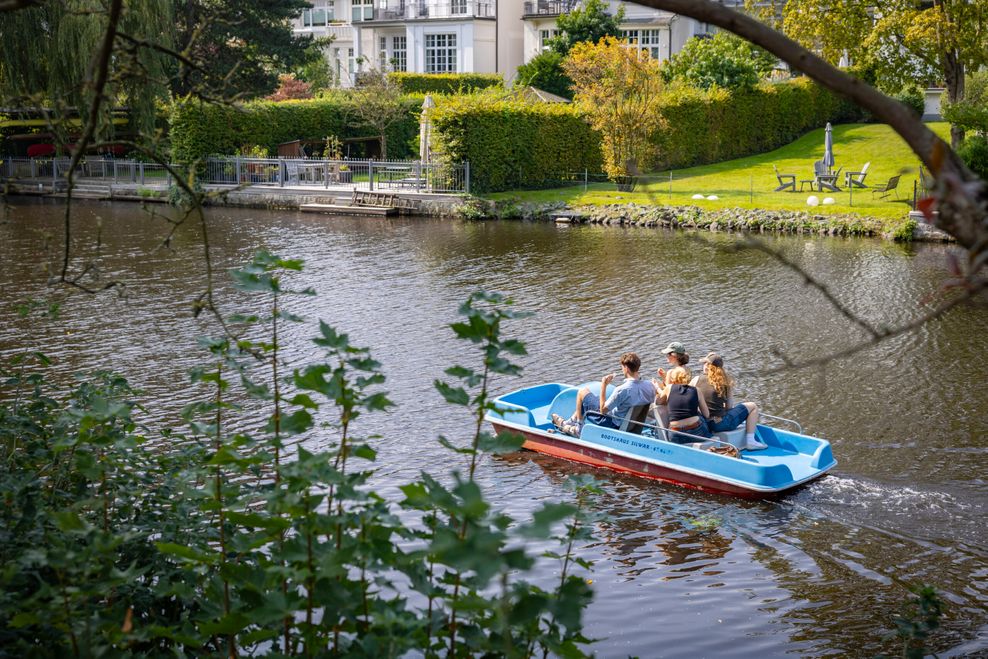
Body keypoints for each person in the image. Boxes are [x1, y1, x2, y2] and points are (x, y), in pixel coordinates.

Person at [552, 352, 656, 436]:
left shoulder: (622, 390)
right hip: (633, 424)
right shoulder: (650, 385)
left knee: (582, 392)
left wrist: (604, 385)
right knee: (592, 399)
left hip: (613, 423)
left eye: (622, 367)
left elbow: (602, 410)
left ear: (626, 368)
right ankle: (570, 421)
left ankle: (578, 428)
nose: (622, 369)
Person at [691, 352, 767, 450]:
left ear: (707, 366)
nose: (703, 365)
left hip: (703, 424)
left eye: (705, 363)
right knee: (753, 406)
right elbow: (729, 407)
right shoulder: (725, 381)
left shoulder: (696, 379)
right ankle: (751, 441)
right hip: (720, 424)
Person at [653, 366, 712, 443]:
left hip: (676, 433)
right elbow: (707, 414)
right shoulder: (696, 390)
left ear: (673, 378)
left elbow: (659, 402)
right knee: (700, 416)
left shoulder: (669, 388)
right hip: (696, 431)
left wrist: (657, 388)